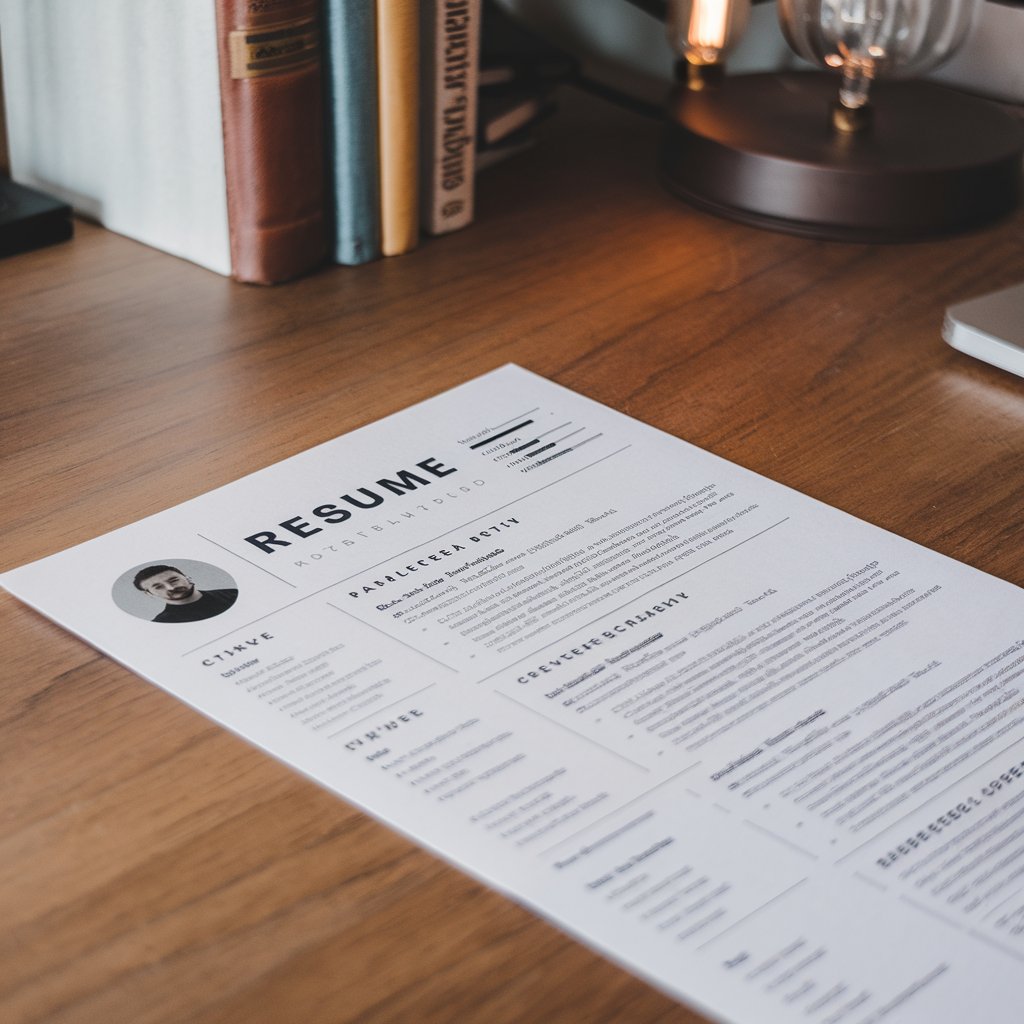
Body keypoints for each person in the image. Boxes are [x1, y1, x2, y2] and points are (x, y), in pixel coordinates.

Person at [133, 564, 238, 623]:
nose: (171, 587)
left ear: (188, 578)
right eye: (158, 587)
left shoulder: (233, 594)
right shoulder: (164, 623)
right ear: (149, 594)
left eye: (174, 580)